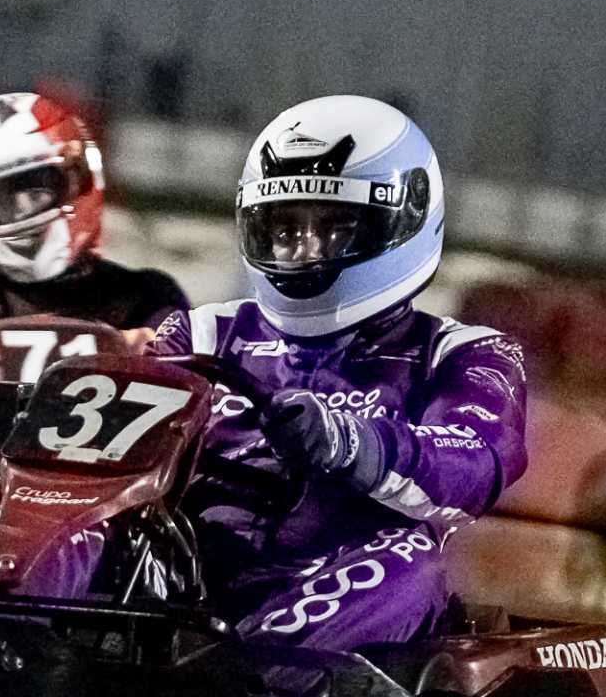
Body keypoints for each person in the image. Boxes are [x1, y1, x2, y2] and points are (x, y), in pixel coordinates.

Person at [149, 94, 528, 658]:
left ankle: (234, 679)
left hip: (338, 579)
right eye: (284, 230)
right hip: (183, 577)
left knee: (414, 562)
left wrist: (348, 442)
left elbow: (474, 465)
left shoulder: (462, 355)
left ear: (401, 221)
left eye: (333, 229)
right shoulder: (199, 334)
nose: (304, 251)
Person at [0, 92, 188, 429]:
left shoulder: (143, 295)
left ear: (79, 179)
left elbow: (198, 382)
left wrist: (150, 354)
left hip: (112, 460)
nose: (21, 211)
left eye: (35, 191)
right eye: (1, 200)